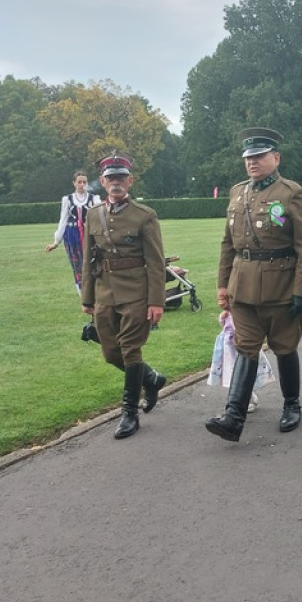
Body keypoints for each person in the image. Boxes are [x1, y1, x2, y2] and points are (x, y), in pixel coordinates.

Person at [205, 127, 302, 442]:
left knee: (284, 347)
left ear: (276, 158)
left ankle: (292, 404)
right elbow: (228, 244)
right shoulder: (237, 192)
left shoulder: (291, 193)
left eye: (259, 156)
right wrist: (222, 285)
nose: (252, 162)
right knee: (246, 348)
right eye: (248, 157)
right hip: (242, 287)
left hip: (280, 288)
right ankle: (233, 417)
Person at [81, 152, 167, 439]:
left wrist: (156, 301)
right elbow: (88, 259)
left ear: (130, 181)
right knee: (110, 353)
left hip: (136, 293)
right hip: (105, 293)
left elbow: (156, 262)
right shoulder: (93, 215)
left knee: (130, 350)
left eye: (121, 177)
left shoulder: (144, 215)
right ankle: (151, 379)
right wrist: (87, 299)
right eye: (111, 178)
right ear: (103, 181)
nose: (116, 182)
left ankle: (129, 413)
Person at [207, 310, 275, 413]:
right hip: (229, 351)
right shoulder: (228, 314)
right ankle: (237, 401)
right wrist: (222, 318)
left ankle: (247, 399)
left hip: (241, 348)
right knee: (233, 376)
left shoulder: (242, 314)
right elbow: (225, 325)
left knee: (243, 375)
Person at [45, 171, 101, 294]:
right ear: (74, 183)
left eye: (84, 182)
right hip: (72, 236)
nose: (82, 185)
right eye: (79, 182)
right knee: (77, 266)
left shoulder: (94, 199)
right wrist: (56, 241)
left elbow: (100, 216)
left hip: (88, 235)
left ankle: (95, 291)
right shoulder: (67, 199)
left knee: (92, 263)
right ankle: (83, 294)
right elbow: (63, 220)